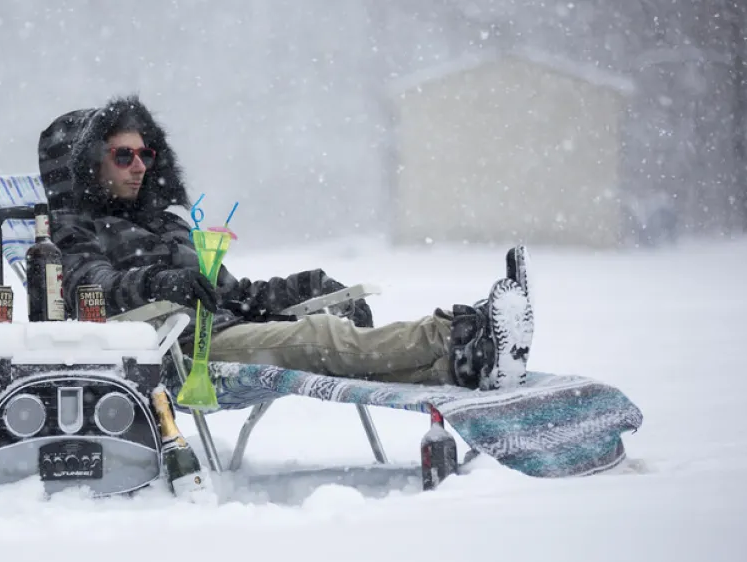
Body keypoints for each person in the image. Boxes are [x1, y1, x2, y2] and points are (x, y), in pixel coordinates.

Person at [36, 94, 532, 390]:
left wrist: (303, 287)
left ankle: (462, 365)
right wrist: (160, 281)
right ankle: (457, 334)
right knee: (319, 339)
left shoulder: (163, 225)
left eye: (145, 153)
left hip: (221, 333)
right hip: (181, 355)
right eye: (124, 156)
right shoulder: (69, 231)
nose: (140, 166)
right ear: (88, 166)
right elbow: (89, 290)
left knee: (324, 329)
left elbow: (231, 295)